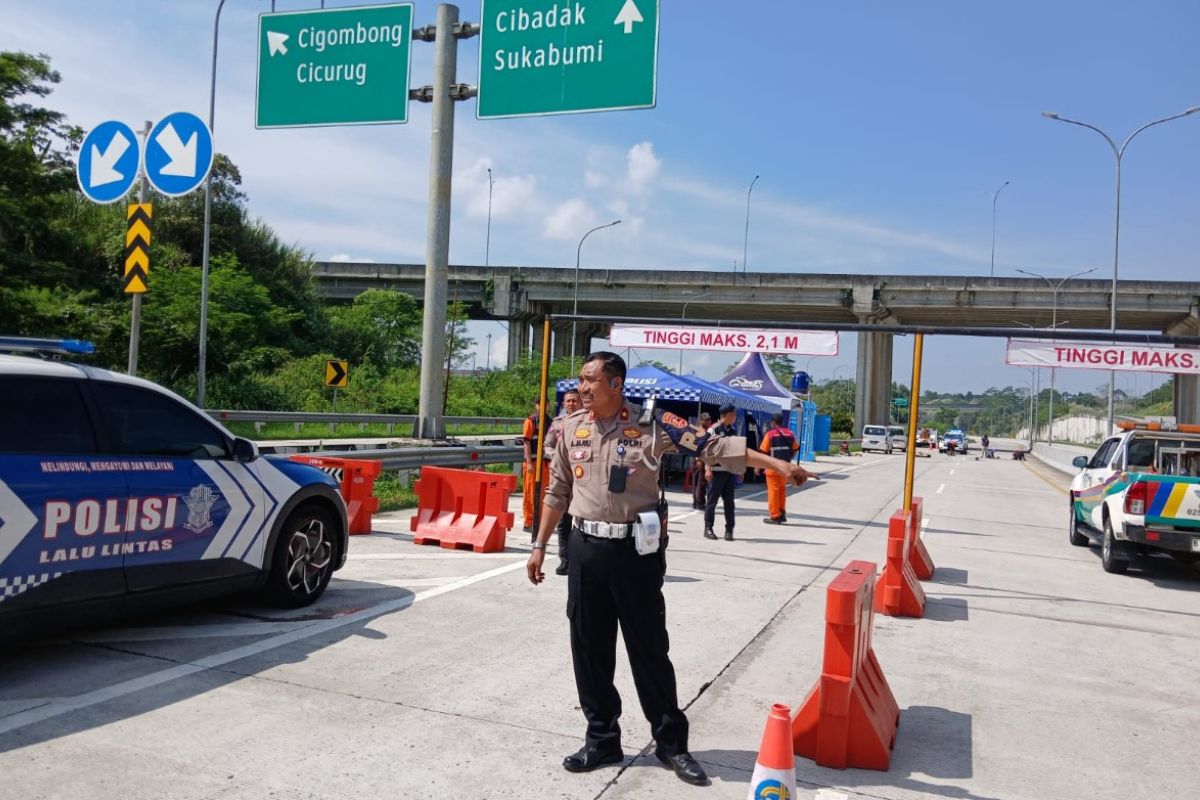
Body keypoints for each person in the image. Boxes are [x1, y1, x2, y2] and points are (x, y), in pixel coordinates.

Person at [527, 352, 811, 786]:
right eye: (580, 381)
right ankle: (601, 739)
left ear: (616, 384)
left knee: (649, 652)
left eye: (590, 381)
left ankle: (671, 745)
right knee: (589, 650)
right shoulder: (569, 428)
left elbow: (716, 447)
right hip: (585, 549)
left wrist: (778, 464)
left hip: (635, 555)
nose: (581, 388)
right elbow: (558, 490)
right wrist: (540, 546)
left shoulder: (652, 425)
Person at [545, 389, 583, 575]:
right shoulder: (558, 424)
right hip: (563, 479)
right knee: (564, 523)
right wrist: (559, 458)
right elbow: (547, 446)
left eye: (575, 401)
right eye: (568, 401)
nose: (571, 404)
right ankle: (565, 560)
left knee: (585, 520)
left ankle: (582, 560)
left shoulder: (591, 423)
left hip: (584, 480)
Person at [704, 404, 740, 541]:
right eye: (734, 414)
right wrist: (708, 468)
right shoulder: (714, 429)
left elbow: (736, 450)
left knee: (729, 503)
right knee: (712, 501)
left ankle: (729, 530)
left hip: (729, 472)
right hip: (716, 471)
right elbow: (706, 449)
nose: (735, 417)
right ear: (728, 415)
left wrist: (739, 468)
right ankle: (708, 528)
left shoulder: (733, 430)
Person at [758, 413, 800, 524]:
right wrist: (789, 459)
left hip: (773, 469)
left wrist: (757, 467)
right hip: (785, 469)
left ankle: (775, 516)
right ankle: (782, 514)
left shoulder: (770, 434)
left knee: (773, 492)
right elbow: (795, 449)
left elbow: (762, 452)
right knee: (781, 491)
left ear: (773, 422)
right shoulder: (790, 434)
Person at [521, 399, 551, 533]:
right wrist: (528, 462)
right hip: (532, 462)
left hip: (546, 463)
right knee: (530, 493)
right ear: (536, 405)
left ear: (549, 406)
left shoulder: (551, 422)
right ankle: (529, 522)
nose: (542, 406)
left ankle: (539, 521)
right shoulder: (531, 421)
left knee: (544, 493)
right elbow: (526, 442)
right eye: (540, 403)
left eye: (545, 403)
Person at [690, 412, 713, 509]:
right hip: (698, 459)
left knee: (698, 483)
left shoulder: (701, 431)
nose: (709, 422)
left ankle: (696, 503)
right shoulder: (700, 432)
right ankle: (700, 503)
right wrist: (698, 459)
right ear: (702, 421)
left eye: (709, 420)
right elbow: (696, 446)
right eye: (707, 420)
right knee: (700, 483)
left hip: (698, 458)